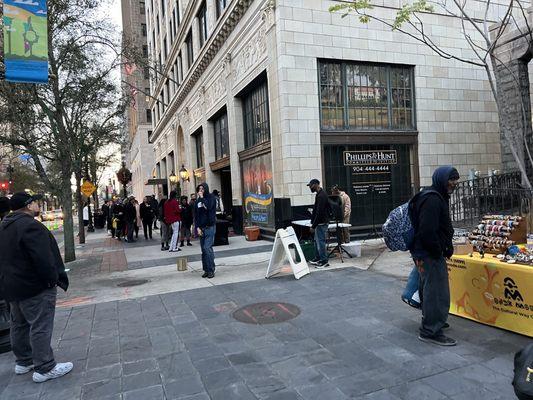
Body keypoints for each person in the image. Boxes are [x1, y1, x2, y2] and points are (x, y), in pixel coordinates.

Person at [0, 192, 72, 383]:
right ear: (29, 205)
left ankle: (24, 360)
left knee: (19, 324)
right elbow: (43, 258)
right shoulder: (31, 226)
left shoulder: (5, 226)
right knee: (40, 324)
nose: (38, 204)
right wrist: (51, 280)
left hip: (13, 287)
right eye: (35, 202)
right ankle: (45, 367)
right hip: (34, 286)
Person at [410, 165, 459, 347]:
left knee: (428, 289)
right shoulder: (432, 199)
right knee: (437, 291)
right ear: (441, 179)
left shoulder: (435, 195)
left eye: (456, 180)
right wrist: (439, 249)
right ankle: (431, 330)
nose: (454, 183)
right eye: (451, 179)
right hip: (429, 253)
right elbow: (427, 231)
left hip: (425, 252)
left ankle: (433, 320)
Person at [307, 179, 330, 268]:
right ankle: (318, 258)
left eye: (311, 186)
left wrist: (313, 225)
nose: (310, 187)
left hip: (321, 222)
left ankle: (324, 261)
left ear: (316, 184)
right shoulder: (319, 194)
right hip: (320, 222)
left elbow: (319, 212)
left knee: (320, 242)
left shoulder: (321, 195)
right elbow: (316, 210)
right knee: (317, 241)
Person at [196, 183, 217, 278]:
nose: (201, 191)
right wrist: (197, 227)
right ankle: (206, 270)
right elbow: (196, 215)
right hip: (201, 228)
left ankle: (211, 270)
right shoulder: (198, 201)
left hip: (209, 227)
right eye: (199, 189)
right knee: (203, 250)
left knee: (207, 248)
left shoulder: (211, 197)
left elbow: (208, 207)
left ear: (206, 189)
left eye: (202, 189)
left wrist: (202, 198)